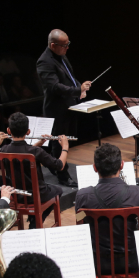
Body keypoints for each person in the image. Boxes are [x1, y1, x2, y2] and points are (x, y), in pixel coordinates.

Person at [75, 144, 139, 278]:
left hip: (95, 264)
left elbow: (80, 227)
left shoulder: (82, 196)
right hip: (132, 264)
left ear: (95, 168)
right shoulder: (138, 194)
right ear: (121, 165)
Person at [36, 29, 93, 187]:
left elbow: (69, 76)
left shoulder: (62, 55)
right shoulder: (44, 61)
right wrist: (77, 89)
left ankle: (56, 166)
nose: (67, 47)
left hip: (69, 105)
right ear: (53, 45)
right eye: (64, 45)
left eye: (68, 44)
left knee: (67, 138)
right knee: (58, 142)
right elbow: (54, 87)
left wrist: (80, 88)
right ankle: (62, 175)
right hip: (56, 109)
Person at [0, 112, 68, 228]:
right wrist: (65, 147)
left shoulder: (3, 150)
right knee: (58, 190)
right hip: (37, 195)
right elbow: (59, 165)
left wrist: (38, 144)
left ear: (8, 131)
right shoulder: (35, 152)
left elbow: (23, 151)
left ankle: (34, 219)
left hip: (15, 195)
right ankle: (37, 220)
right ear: (28, 132)